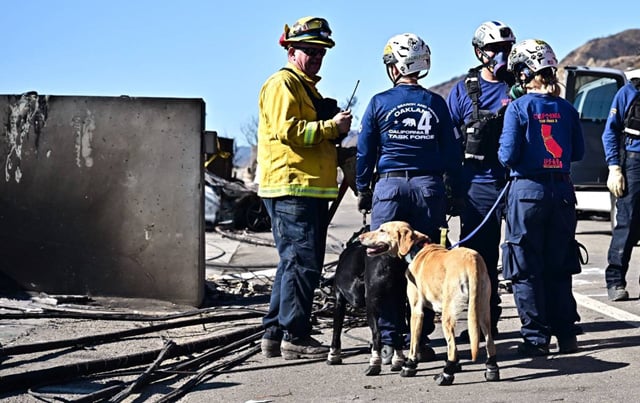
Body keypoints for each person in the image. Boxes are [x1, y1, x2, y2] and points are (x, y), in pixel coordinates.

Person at [356, 33, 464, 366]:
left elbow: (365, 150)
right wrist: (452, 192)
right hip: (427, 187)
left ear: (395, 67)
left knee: (383, 264)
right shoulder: (435, 103)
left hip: (390, 187)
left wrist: (363, 188)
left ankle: (389, 340)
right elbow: (451, 152)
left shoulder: (378, 102)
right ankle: (420, 337)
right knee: (425, 262)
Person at [257, 16, 353, 360]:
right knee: (302, 264)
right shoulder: (283, 84)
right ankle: (295, 337)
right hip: (292, 187)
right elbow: (289, 131)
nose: (316, 57)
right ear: (291, 49)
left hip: (304, 188)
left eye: (321, 52)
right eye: (309, 51)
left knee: (292, 264)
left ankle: (274, 333)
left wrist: (329, 125)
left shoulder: (303, 88)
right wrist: (330, 127)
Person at [498, 39, 585, 356]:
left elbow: (507, 155)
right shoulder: (568, 108)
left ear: (524, 73)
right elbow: (578, 151)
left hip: (527, 193)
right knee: (560, 263)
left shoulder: (518, 108)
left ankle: (535, 339)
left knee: (525, 267)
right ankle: (566, 335)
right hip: (562, 191)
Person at [446, 20, 516, 339]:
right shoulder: (463, 90)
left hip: (516, 184)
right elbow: (448, 140)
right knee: (478, 259)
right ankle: (481, 323)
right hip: (478, 187)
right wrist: (451, 188)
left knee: (523, 254)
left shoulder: (520, 86)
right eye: (495, 49)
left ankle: (544, 324)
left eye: (506, 49)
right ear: (479, 52)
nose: (502, 55)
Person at [602, 74, 640, 301]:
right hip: (634, 162)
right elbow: (610, 131)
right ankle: (615, 280)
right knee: (627, 224)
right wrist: (614, 167)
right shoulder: (628, 92)